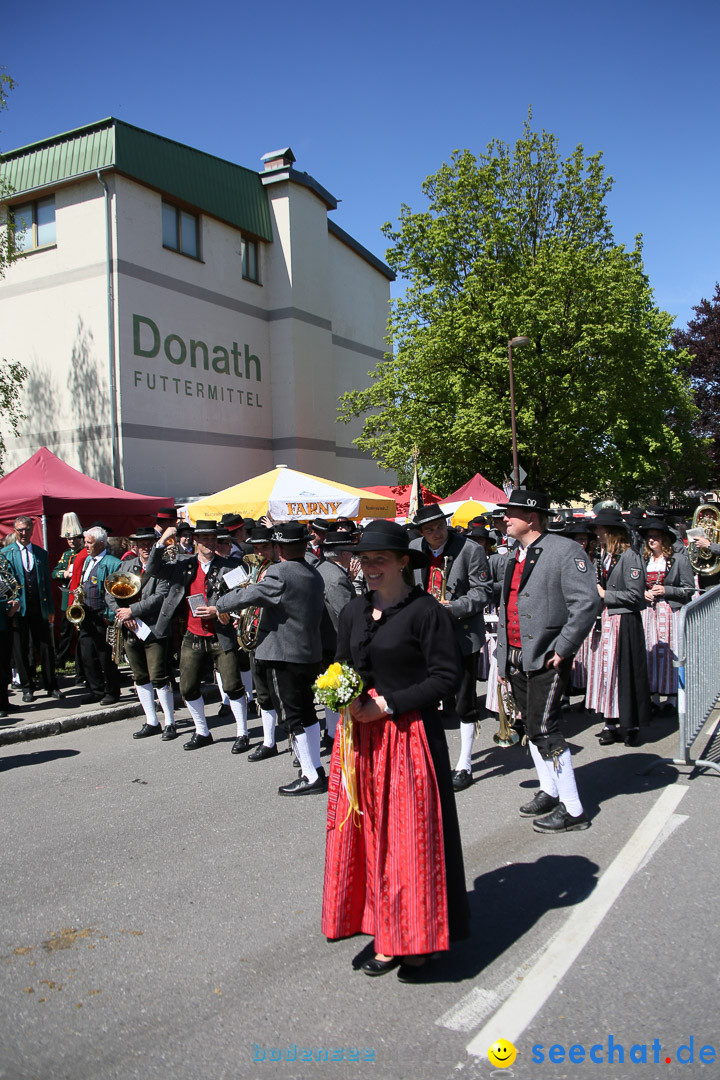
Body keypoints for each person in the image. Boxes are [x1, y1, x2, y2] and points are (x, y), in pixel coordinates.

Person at [321, 519, 469, 982]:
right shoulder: (353, 612)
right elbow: (343, 666)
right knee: (368, 841)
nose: (369, 568)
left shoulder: (427, 612)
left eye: (379, 560)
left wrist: (388, 704)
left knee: (408, 843)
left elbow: (447, 678)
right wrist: (340, 694)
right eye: (363, 560)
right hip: (360, 740)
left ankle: (416, 940)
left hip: (409, 739)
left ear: (405, 561)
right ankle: (386, 936)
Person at [497, 490, 600, 833]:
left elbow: (586, 603)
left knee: (545, 729)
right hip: (516, 655)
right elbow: (505, 608)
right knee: (530, 726)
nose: (505, 518)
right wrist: (502, 658)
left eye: (511, 512)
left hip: (546, 656)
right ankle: (549, 790)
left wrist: (565, 646)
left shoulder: (564, 550)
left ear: (532, 517)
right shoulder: (515, 553)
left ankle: (573, 810)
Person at [214, 522, 326, 793]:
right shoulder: (313, 572)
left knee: (292, 718)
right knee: (307, 712)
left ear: (279, 547)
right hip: (307, 653)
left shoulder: (279, 572)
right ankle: (315, 768)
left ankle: (311, 775)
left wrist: (221, 603)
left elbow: (251, 594)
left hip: (282, 655)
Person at [146, 521, 248, 752]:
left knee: (232, 685)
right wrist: (162, 542)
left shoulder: (230, 566)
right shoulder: (184, 564)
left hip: (221, 634)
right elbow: (153, 568)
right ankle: (202, 731)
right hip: (193, 634)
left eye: (214, 539)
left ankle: (242, 733)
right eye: (205, 539)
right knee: (188, 687)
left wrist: (221, 609)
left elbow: (243, 596)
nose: (210, 543)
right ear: (196, 541)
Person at [410, 505, 492, 792]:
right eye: (429, 529)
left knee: (463, 703)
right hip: (423, 638)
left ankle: (464, 764)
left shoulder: (470, 549)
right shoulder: (413, 548)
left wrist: (454, 608)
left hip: (460, 634)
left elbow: (482, 592)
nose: (436, 533)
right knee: (424, 701)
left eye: (440, 527)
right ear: (420, 532)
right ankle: (431, 758)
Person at [585, 508, 652, 747]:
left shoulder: (629, 557)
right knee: (607, 673)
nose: (597, 535)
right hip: (608, 620)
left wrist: (606, 594)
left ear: (611, 532)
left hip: (625, 621)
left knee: (627, 672)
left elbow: (636, 595)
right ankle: (610, 722)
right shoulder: (604, 556)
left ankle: (631, 724)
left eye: (600, 531)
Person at [106, 526, 176, 740]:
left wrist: (132, 611)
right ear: (135, 546)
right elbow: (109, 593)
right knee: (140, 676)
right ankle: (151, 721)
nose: (145, 548)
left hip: (154, 629)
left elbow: (160, 597)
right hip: (130, 628)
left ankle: (170, 722)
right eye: (142, 544)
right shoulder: (126, 566)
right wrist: (122, 614)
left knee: (159, 676)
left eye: (149, 544)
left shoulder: (164, 567)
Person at [638, 516, 694, 711]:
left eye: (655, 537)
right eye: (649, 537)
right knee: (650, 652)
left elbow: (689, 589)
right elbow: (636, 585)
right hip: (648, 612)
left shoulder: (678, 560)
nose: (651, 540)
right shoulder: (644, 560)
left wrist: (667, 590)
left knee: (670, 653)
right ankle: (653, 697)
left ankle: (671, 699)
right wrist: (642, 592)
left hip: (669, 612)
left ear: (665, 540)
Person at [5, 516, 63, 703]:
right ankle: (27, 687)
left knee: (46, 647)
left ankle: (51, 685)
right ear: (15, 531)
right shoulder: (6, 553)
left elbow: (46, 582)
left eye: (27, 529)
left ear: (32, 530)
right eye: (20, 530)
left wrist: (51, 609)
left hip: (39, 607)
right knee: (20, 649)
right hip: (19, 611)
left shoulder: (40, 553)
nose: (23, 533)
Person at [74, 527, 123, 704]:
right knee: (87, 653)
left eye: (89, 542)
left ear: (101, 543)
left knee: (105, 656)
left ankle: (112, 691)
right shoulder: (88, 560)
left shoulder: (112, 563)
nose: (85, 545)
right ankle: (96, 689)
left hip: (102, 616)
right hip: (87, 616)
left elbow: (117, 593)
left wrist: (109, 616)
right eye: (85, 542)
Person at [317, 529, 356, 747]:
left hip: (325, 639)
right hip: (335, 640)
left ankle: (332, 731)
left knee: (331, 689)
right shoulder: (336, 578)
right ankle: (335, 734)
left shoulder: (323, 568)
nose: (352, 555)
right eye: (350, 550)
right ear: (342, 553)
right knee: (338, 689)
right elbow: (347, 614)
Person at [51, 514, 86, 673]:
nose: (72, 541)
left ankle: (81, 664)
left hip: (81, 597)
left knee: (81, 634)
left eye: (75, 538)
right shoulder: (66, 555)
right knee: (66, 632)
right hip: (67, 598)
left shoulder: (84, 553)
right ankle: (60, 661)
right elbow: (54, 573)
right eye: (69, 538)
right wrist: (64, 574)